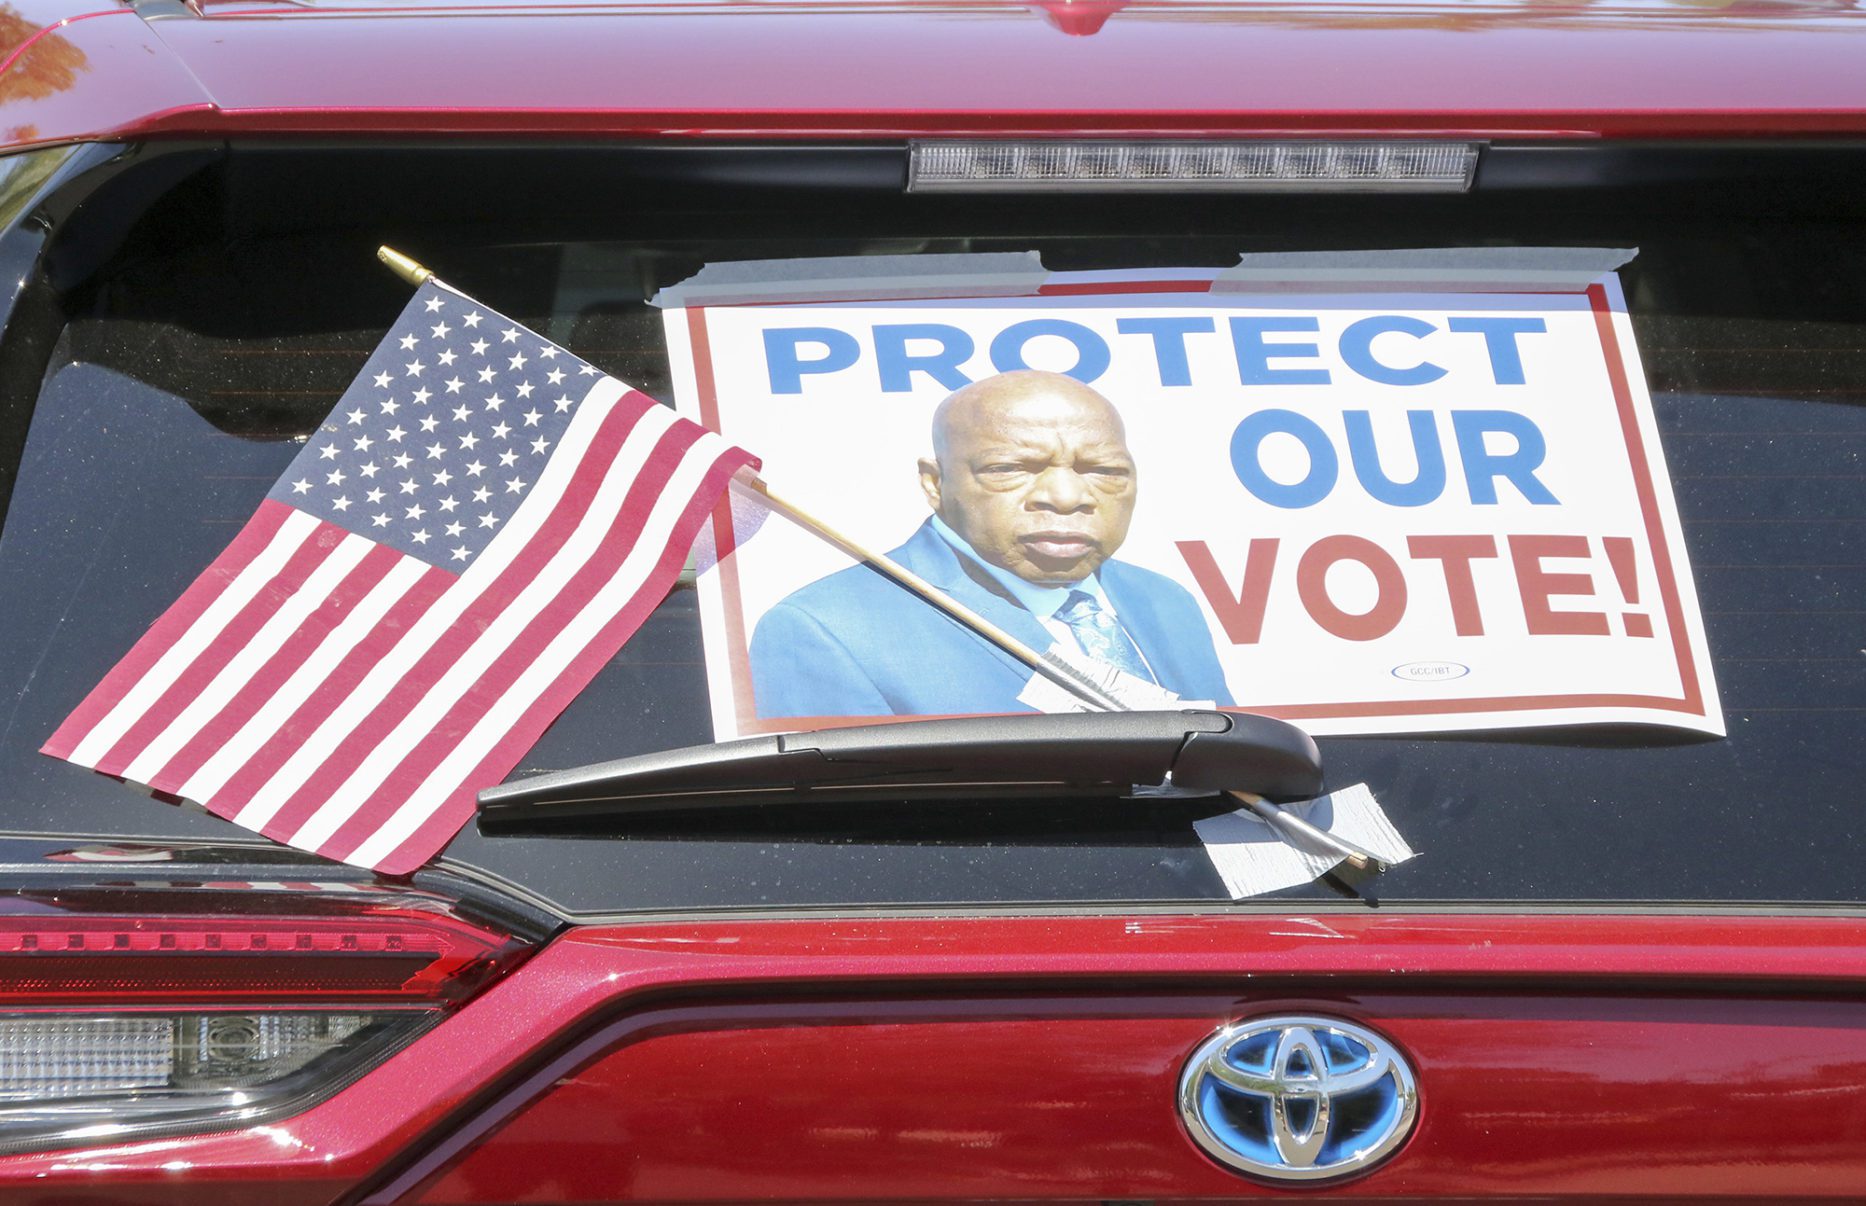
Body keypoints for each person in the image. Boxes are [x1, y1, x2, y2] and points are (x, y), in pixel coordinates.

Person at [750, 369, 1235, 718]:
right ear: (935, 484)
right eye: (1010, 469)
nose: (1067, 498)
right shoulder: (824, 630)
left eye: (1105, 471)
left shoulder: (1164, 600)